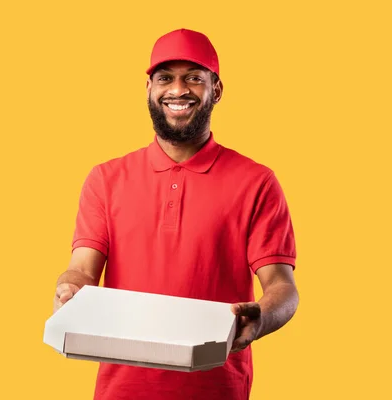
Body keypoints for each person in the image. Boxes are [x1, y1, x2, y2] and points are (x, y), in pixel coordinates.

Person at [53, 28, 299, 400]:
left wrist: (262, 316)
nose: (178, 90)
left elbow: (282, 287)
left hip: (217, 387)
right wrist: (71, 288)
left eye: (193, 78)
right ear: (149, 88)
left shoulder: (256, 181)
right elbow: (83, 268)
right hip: (121, 390)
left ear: (215, 90)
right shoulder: (106, 178)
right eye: (165, 78)